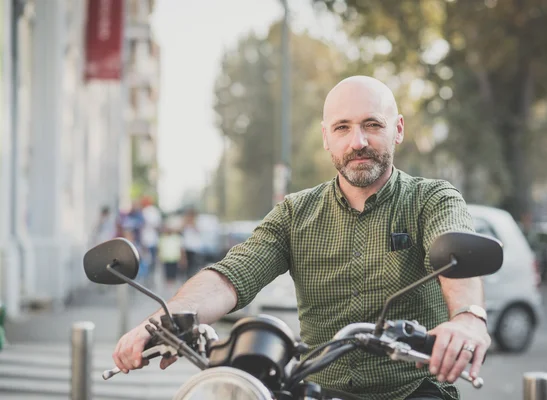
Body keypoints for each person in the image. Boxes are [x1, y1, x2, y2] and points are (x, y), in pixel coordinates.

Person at [111, 76, 489, 400]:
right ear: (326, 137)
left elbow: (452, 247)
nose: (357, 141)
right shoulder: (295, 213)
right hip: (314, 389)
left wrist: (468, 317)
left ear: (399, 129)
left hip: (412, 389)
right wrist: (162, 321)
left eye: (372, 124)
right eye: (342, 127)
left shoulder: (432, 199)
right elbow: (233, 273)